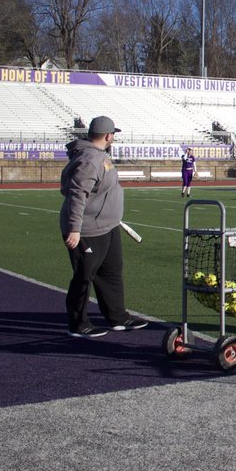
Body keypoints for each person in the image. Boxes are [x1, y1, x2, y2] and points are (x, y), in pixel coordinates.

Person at [59, 116, 148, 338]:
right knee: (84, 275)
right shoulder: (90, 160)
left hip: (107, 226)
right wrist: (74, 228)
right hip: (88, 229)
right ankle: (78, 323)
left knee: (112, 272)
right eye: (113, 135)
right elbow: (77, 194)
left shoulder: (99, 156)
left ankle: (117, 317)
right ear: (108, 136)